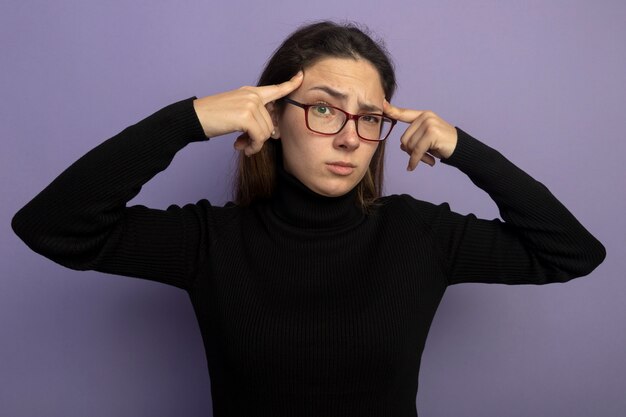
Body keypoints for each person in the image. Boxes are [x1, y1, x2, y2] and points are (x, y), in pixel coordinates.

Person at [12, 20, 605, 417]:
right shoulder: (209, 241)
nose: (349, 137)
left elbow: (571, 252)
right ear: (272, 115)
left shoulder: (420, 235)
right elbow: (52, 226)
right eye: (323, 108)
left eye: (370, 117)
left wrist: (466, 150)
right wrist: (186, 120)